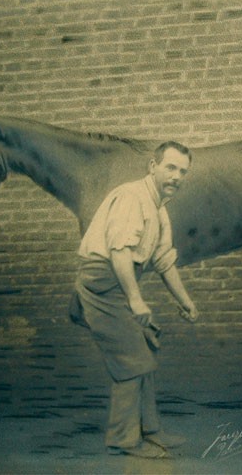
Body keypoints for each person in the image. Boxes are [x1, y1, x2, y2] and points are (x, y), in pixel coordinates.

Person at [70, 141, 199, 459]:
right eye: (170, 167)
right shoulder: (132, 197)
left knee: (146, 347)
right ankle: (123, 440)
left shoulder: (159, 209)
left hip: (120, 283)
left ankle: (151, 430)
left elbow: (164, 261)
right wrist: (136, 300)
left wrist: (186, 301)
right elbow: (119, 252)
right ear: (153, 166)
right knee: (132, 359)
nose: (176, 176)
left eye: (183, 171)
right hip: (102, 283)